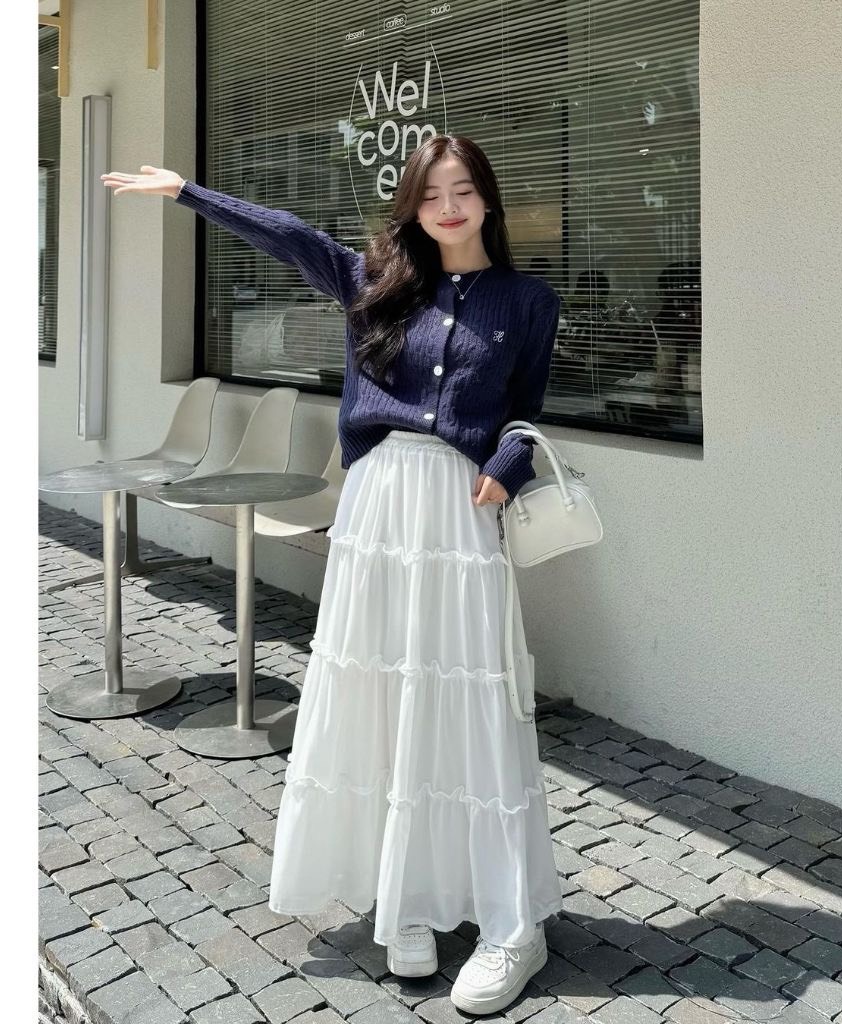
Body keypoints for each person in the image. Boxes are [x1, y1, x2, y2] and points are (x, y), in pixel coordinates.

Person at [101, 133, 563, 1016]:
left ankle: (514, 924)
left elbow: (527, 416)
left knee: (470, 696)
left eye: (464, 191)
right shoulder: (373, 281)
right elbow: (288, 234)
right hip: (378, 506)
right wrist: (188, 191)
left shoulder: (528, 301)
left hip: (458, 512)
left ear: (488, 200)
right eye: (432, 194)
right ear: (413, 205)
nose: (450, 208)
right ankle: (406, 895)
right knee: (382, 692)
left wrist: (508, 466)